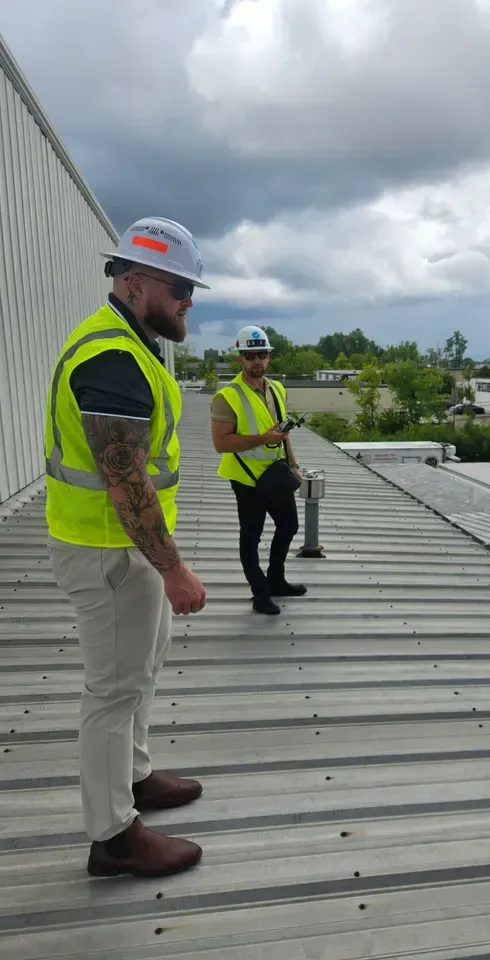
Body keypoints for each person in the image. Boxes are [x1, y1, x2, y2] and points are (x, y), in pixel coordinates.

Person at [45, 216, 208, 878]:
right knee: (113, 691)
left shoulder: (132, 342)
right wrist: (174, 571)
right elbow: (124, 478)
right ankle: (112, 836)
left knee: (137, 672)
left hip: (124, 549)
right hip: (109, 551)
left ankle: (134, 780)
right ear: (136, 282)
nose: (188, 302)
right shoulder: (112, 358)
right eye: (180, 288)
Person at [210, 326, 307, 615]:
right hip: (246, 480)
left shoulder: (276, 388)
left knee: (289, 526)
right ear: (239, 359)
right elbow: (221, 443)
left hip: (275, 474)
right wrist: (262, 439)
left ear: (269, 358)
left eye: (261, 355)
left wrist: (294, 464)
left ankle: (276, 580)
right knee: (251, 537)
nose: (256, 361)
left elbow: (283, 432)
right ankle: (260, 593)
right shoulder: (226, 397)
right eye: (249, 355)